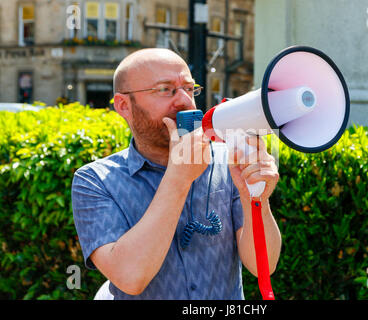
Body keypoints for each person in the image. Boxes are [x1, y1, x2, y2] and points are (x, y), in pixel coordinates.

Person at [71, 48, 282, 300]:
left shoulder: (228, 161)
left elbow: (263, 267)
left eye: (189, 88)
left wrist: (255, 198)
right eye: (165, 89)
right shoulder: (94, 181)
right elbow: (130, 277)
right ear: (124, 105)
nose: (184, 101)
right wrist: (179, 177)